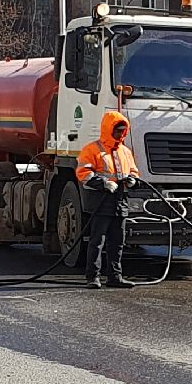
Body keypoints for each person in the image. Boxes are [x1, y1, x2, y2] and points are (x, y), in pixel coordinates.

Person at [76, 110, 139, 288]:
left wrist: (133, 181)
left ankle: (115, 277)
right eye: (117, 130)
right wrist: (103, 183)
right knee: (97, 241)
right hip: (101, 202)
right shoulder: (92, 149)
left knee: (117, 242)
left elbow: (133, 172)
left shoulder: (125, 152)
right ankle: (93, 277)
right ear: (108, 129)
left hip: (120, 203)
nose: (120, 134)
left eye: (122, 131)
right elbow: (84, 173)